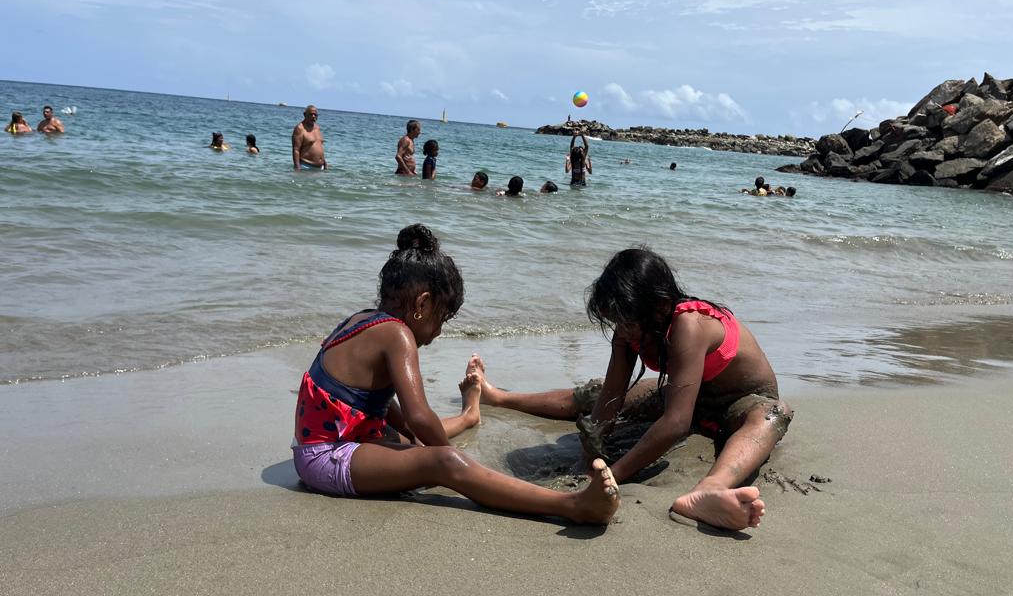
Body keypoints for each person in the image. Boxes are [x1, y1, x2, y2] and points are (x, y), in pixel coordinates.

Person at [291, 223, 620, 525]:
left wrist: (415, 438)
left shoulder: (362, 320)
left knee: (414, 441)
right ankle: (573, 505)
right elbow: (419, 418)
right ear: (422, 304)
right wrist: (448, 456)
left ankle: (468, 416)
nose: (437, 333)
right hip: (327, 459)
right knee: (445, 462)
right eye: (442, 319)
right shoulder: (397, 334)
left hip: (342, 441)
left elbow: (374, 404)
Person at [471, 246, 793, 532]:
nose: (621, 330)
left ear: (660, 306)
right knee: (595, 392)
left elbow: (676, 423)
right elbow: (610, 399)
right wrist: (590, 454)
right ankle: (498, 396)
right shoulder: (628, 332)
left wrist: (613, 475)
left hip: (741, 401)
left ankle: (711, 488)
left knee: (773, 413)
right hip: (687, 397)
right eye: (616, 321)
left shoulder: (689, 325)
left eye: (627, 321)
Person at [292, 105, 327, 170]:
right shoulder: (300, 128)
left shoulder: (317, 128)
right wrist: (297, 168)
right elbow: (296, 150)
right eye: (311, 114)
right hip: (306, 167)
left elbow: (319, 146)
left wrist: (325, 163)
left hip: (320, 168)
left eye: (315, 115)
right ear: (305, 115)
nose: (313, 116)